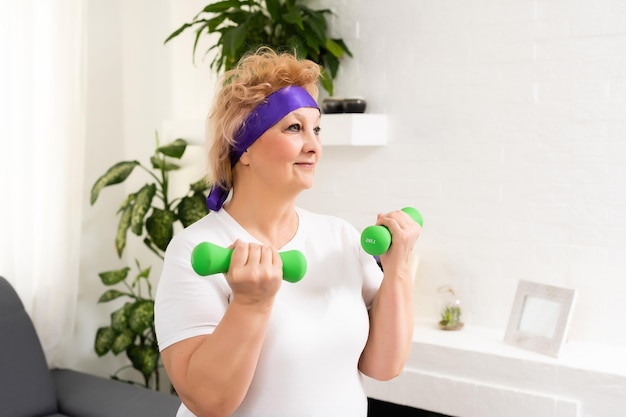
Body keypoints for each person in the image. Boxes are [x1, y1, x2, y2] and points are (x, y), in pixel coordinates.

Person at [154, 48, 421, 417]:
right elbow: (207, 402)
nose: (313, 145)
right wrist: (251, 303)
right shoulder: (195, 250)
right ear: (243, 148)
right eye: (294, 128)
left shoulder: (339, 237)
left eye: (317, 129)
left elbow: (383, 366)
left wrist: (399, 269)